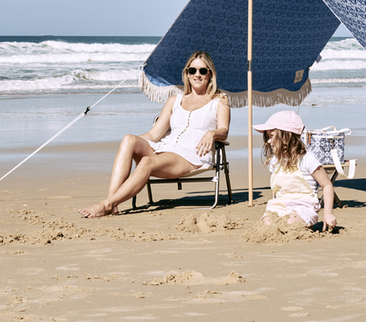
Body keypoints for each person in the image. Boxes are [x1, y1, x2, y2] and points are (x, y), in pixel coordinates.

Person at [78, 51, 230, 218]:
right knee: (128, 139)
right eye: (192, 70)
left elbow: (224, 130)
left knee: (147, 162)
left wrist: (212, 133)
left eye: (202, 70)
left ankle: (107, 204)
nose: (197, 75)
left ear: (210, 74)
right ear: (186, 74)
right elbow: (154, 134)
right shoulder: (175, 100)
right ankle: (111, 202)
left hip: (190, 154)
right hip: (167, 147)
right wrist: (128, 147)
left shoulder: (220, 100)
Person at [253, 110, 337, 231]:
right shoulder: (275, 160)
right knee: (266, 223)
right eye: (267, 137)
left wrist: (328, 214)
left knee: (290, 223)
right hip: (280, 204)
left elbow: (327, 185)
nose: (268, 141)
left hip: (303, 205)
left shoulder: (307, 159)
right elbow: (276, 188)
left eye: (271, 136)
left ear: (286, 136)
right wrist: (272, 204)